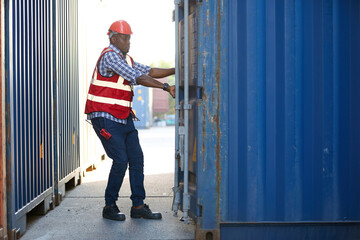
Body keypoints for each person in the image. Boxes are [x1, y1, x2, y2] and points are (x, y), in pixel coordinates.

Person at [85, 20, 175, 221]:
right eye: (125, 38)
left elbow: (149, 71)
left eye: (129, 38)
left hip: (123, 117)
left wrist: (176, 70)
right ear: (113, 38)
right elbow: (137, 77)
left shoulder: (128, 59)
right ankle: (109, 206)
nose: (128, 42)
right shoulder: (109, 57)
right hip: (105, 117)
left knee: (136, 159)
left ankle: (138, 206)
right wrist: (166, 88)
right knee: (121, 160)